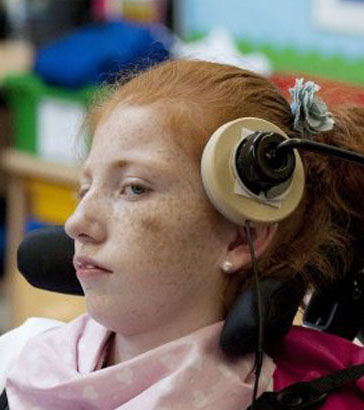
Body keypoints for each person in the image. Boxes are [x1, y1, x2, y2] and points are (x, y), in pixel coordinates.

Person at [1, 60, 364, 410]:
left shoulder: (304, 398)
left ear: (240, 240)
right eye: (85, 189)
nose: (76, 223)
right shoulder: (18, 360)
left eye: (134, 189)